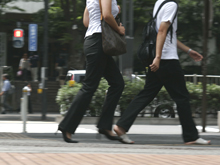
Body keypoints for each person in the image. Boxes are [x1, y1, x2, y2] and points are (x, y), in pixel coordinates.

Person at [114, 0, 211, 145]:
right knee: (182, 97)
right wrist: (158, 57)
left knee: (147, 93)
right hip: (166, 59)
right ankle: (191, 136)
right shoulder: (172, 5)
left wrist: (188, 51)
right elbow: (162, 31)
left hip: (159, 58)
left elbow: (168, 35)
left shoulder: (160, 3)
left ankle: (121, 126)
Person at [57, 0, 125, 143]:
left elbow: (86, 22)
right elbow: (106, 16)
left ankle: (105, 126)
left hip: (93, 41)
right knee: (89, 86)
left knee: (117, 83)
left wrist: (113, 11)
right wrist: (119, 29)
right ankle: (67, 126)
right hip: (99, 42)